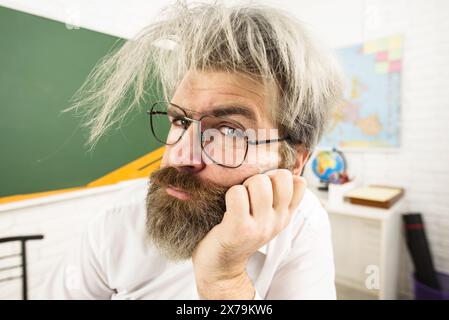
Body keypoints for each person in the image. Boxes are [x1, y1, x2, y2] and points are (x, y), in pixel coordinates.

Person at [39, 1, 343, 299]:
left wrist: (224, 282)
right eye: (181, 121)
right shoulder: (116, 224)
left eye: (228, 131)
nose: (180, 156)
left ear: (293, 163)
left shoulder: (302, 227)